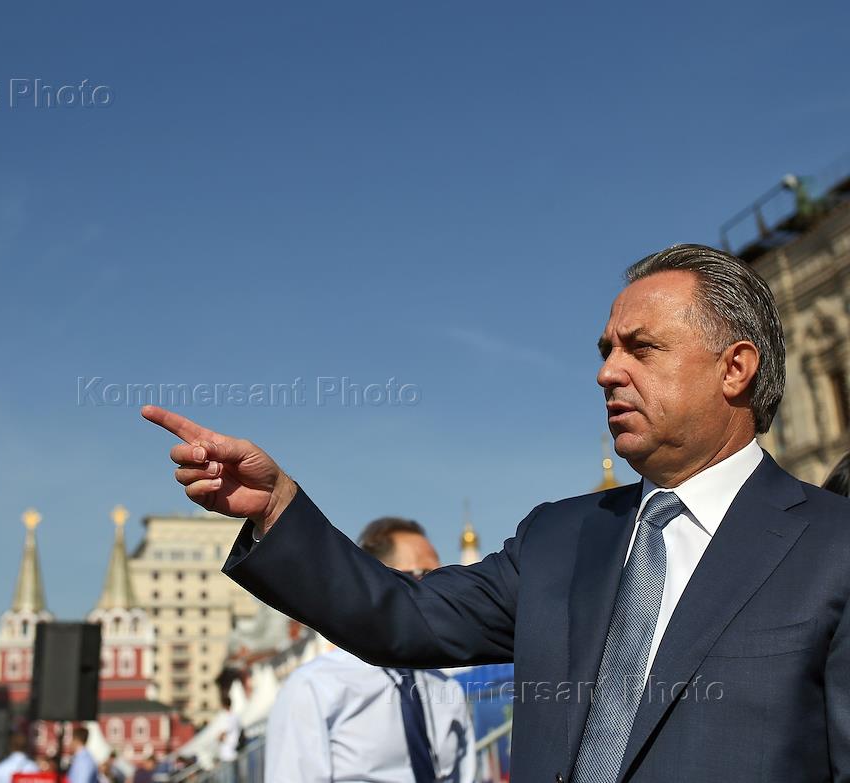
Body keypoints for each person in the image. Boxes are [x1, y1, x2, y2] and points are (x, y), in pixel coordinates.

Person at [144, 243, 850, 782]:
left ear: (735, 368)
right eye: (607, 351)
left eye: (642, 349)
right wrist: (277, 507)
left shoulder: (832, 546)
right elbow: (403, 616)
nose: (607, 372)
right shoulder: (560, 538)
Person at [267, 515, 475, 782]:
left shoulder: (446, 687)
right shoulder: (315, 687)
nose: (440, 590)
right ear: (378, 582)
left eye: (443, 576)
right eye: (425, 575)